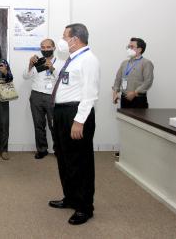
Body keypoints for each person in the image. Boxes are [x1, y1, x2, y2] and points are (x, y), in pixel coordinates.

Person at [49, 23, 100, 225]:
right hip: (62, 112)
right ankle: (70, 197)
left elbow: (90, 94)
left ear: (75, 39)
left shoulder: (89, 60)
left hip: (76, 113)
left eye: (64, 37)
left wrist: (79, 121)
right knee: (64, 158)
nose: (61, 40)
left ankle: (85, 207)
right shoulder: (71, 60)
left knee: (80, 162)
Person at [23, 39, 64, 159]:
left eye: (48, 47)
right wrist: (30, 65)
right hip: (36, 96)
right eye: (43, 47)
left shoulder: (61, 62)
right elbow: (25, 76)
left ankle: (58, 149)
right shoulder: (37, 61)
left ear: (54, 48)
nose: (45, 49)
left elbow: (64, 80)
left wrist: (52, 68)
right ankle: (42, 149)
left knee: (54, 125)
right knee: (38, 124)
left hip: (53, 96)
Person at [112, 37, 154, 108]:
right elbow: (118, 79)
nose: (129, 49)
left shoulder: (146, 63)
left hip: (138, 99)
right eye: (128, 47)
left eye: (132, 47)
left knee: (138, 119)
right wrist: (115, 92)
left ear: (140, 49)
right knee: (125, 118)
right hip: (124, 98)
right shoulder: (124, 63)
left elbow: (148, 81)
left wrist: (135, 93)